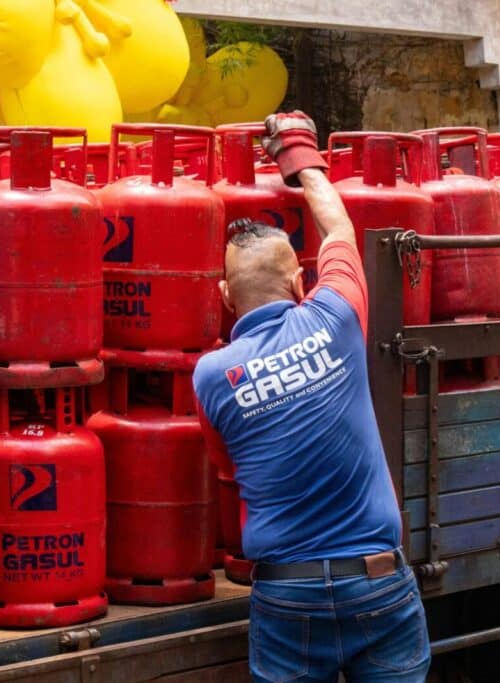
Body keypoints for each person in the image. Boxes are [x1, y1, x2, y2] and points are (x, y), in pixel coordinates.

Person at [193, 111, 431, 683]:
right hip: (377, 583)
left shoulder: (209, 376)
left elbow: (229, 466)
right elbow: (341, 231)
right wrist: (297, 153)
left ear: (225, 297)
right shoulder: (336, 316)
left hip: (286, 593)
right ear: (301, 282)